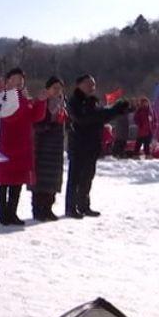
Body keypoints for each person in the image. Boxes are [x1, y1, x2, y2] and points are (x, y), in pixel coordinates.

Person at [65, 74, 132, 219]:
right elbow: (84, 118)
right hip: (78, 144)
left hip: (92, 144)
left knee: (88, 177)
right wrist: (111, 111)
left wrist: (117, 110)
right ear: (79, 85)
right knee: (75, 178)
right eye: (89, 84)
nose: (92, 87)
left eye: (93, 84)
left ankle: (83, 205)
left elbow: (100, 116)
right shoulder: (74, 101)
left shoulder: (93, 102)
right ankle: (71, 207)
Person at [0, 68, 47, 226]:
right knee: (4, 182)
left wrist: (41, 101)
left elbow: (35, 117)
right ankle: (3, 213)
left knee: (17, 182)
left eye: (21, 79)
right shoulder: (3, 98)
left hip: (23, 147)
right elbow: (10, 116)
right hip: (6, 146)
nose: (19, 82)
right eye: (15, 79)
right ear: (8, 81)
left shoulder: (25, 99)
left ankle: (12, 213)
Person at [31, 76, 67, 222]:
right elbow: (35, 124)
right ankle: (38, 209)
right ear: (48, 89)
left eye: (59, 88)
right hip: (42, 146)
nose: (57, 91)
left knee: (53, 180)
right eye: (54, 88)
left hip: (56, 147)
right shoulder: (41, 103)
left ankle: (48, 208)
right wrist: (49, 123)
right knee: (40, 180)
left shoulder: (63, 105)